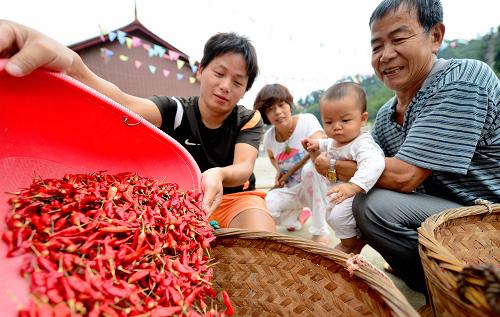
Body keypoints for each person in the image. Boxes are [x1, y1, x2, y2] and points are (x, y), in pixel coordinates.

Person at [0, 19, 276, 232]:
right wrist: (74, 66)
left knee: (262, 236)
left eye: (238, 82)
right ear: (201, 70)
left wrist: (217, 173)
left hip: (234, 200)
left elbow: (243, 169)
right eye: (219, 73)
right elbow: (123, 102)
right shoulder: (176, 110)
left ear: (245, 90)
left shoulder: (247, 118)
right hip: (185, 202)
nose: (225, 86)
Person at [313, 0, 499, 295]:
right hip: (443, 220)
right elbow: (378, 175)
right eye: (376, 46)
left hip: (487, 222)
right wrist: (344, 251)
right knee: (363, 197)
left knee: (373, 205)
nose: (386, 55)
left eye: (399, 39)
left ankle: (452, 292)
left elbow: (403, 177)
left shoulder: (463, 80)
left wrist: (333, 166)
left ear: (435, 37)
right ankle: (434, 281)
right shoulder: (387, 116)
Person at [302, 82, 385, 254]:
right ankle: (356, 237)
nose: (337, 127)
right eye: (329, 122)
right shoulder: (336, 140)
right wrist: (316, 143)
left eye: (345, 120)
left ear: (362, 119)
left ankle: (349, 245)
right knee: (330, 216)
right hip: (338, 192)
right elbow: (328, 143)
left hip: (356, 193)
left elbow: (375, 163)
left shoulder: (362, 143)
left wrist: (353, 186)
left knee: (338, 217)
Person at [253, 83, 330, 245]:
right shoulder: (268, 138)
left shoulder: (307, 121)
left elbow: (321, 151)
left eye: (281, 105)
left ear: (289, 105)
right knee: (265, 205)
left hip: (318, 187)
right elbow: (274, 159)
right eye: (271, 109)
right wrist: (278, 173)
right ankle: (296, 218)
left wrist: (315, 145)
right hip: (292, 189)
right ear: (266, 114)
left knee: (310, 170)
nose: (278, 112)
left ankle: (320, 230)